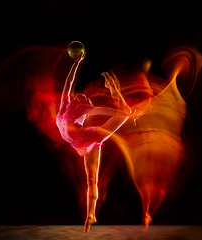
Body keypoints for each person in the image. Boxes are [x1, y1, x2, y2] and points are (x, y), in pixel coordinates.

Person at [56, 52, 139, 232]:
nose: (88, 98)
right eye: (86, 97)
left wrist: (126, 115)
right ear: (78, 97)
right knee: (91, 180)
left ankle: (90, 215)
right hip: (81, 144)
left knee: (122, 114)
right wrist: (77, 62)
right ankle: (91, 215)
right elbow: (69, 82)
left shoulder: (85, 109)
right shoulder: (66, 103)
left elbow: (102, 110)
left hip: (90, 137)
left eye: (89, 100)